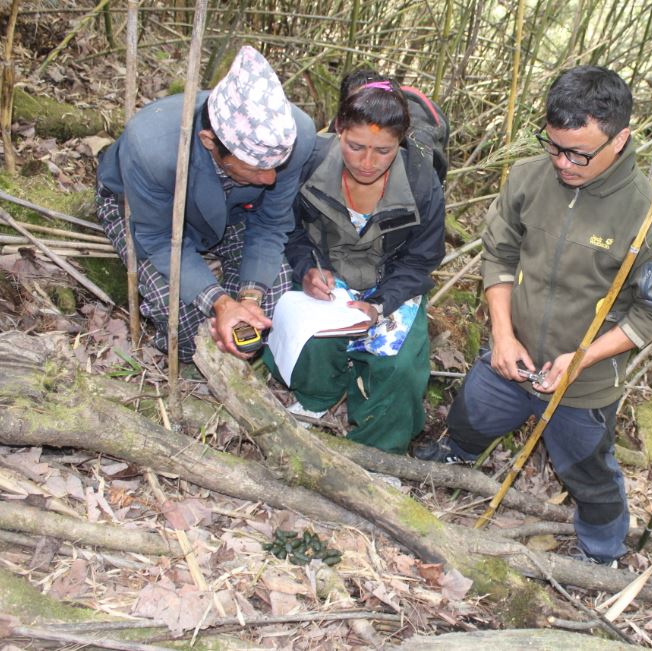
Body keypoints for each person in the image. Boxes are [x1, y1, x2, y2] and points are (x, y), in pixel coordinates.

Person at [415, 66, 652, 566]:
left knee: (588, 471)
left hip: (584, 381)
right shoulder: (529, 179)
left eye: (579, 154)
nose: (564, 163)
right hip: (511, 353)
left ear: (620, 138)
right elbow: (498, 254)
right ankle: (455, 454)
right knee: (471, 416)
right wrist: (501, 335)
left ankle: (602, 553)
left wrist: (583, 358)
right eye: (554, 147)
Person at [96, 46, 315, 361]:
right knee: (177, 309)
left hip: (233, 209)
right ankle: (189, 360)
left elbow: (269, 225)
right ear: (209, 141)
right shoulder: (152, 149)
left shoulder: (296, 137)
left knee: (274, 291)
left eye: (276, 167)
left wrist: (248, 300)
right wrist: (221, 303)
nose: (270, 180)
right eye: (256, 168)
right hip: (145, 210)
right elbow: (158, 240)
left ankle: (230, 360)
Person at [264, 78, 445, 454]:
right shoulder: (311, 161)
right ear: (338, 129)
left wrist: (381, 304)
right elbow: (289, 230)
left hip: (391, 281)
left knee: (400, 368)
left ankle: (377, 451)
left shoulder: (421, 183)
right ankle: (314, 399)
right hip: (330, 272)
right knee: (309, 336)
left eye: (383, 151)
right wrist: (306, 270)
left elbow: (422, 260)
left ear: (402, 142)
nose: (366, 162)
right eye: (355, 145)